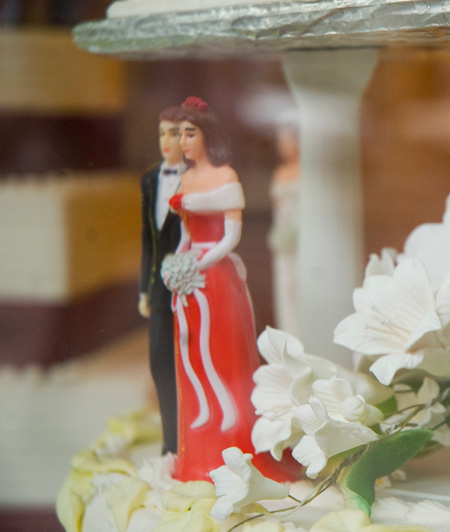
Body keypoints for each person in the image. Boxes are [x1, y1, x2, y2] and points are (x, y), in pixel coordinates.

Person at [163, 96, 297, 482]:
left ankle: (229, 418)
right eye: (180, 134)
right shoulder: (185, 180)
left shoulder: (226, 178)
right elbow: (185, 234)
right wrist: (177, 263)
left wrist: (197, 264)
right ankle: (201, 416)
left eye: (190, 134)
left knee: (218, 351)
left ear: (207, 136)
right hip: (189, 278)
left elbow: (230, 236)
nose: (184, 142)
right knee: (189, 350)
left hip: (216, 277)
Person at [139, 105, 185, 455]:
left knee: (188, 360)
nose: (166, 141)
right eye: (162, 133)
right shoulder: (151, 180)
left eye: (173, 133)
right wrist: (144, 286)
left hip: (188, 284)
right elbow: (147, 239)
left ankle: (189, 438)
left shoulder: (198, 176)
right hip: (158, 289)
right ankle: (170, 442)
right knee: (159, 361)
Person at [267, 123, 300, 336]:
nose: (282, 146)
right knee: (286, 288)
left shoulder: (307, 171)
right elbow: (278, 209)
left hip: (303, 237)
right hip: (285, 236)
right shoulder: (279, 172)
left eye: (286, 140)